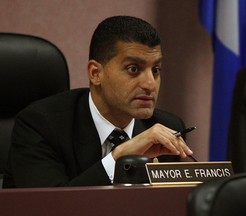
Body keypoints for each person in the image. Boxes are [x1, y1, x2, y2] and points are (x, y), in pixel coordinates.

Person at [3, 16, 193, 188]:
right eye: (134, 69)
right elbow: (50, 207)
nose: (150, 83)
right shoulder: (40, 125)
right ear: (96, 73)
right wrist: (119, 157)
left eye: (156, 70)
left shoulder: (167, 128)